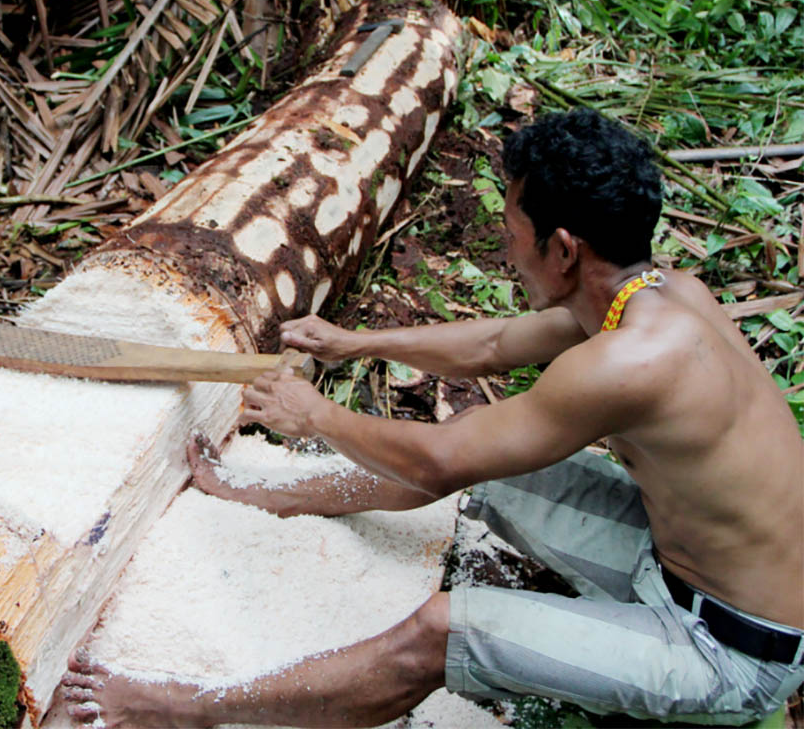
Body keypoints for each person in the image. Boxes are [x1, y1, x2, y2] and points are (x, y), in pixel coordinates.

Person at [59, 109, 804, 727]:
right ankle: (264, 495)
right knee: (493, 463)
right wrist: (357, 343)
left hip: (726, 647)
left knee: (443, 627)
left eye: (513, 226)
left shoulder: (631, 362)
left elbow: (438, 461)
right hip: (676, 561)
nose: (507, 243)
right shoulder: (659, 295)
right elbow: (492, 342)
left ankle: (187, 707)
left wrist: (316, 416)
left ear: (565, 249)